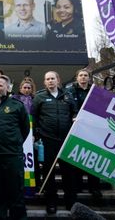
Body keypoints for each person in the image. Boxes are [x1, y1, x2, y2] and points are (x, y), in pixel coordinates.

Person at [0, 75, 29, 220]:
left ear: (8, 88)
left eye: (0, 85)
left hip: (12, 156)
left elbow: (25, 129)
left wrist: (13, 143)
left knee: (16, 192)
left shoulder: (17, 105)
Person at [33, 71, 78, 214]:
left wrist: (75, 118)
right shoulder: (39, 97)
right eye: (48, 79)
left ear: (58, 80)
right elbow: (34, 117)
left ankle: (70, 201)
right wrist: (36, 134)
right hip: (48, 139)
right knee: (48, 172)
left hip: (65, 140)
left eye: (52, 78)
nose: (50, 81)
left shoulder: (68, 96)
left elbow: (74, 113)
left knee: (68, 172)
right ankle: (51, 201)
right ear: (45, 82)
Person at [66, 69, 102, 198]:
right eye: (80, 75)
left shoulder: (95, 91)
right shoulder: (70, 91)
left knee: (92, 157)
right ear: (77, 77)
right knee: (77, 157)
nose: (83, 78)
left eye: (85, 75)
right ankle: (78, 185)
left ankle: (95, 188)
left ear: (89, 78)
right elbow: (69, 106)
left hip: (92, 129)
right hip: (76, 128)